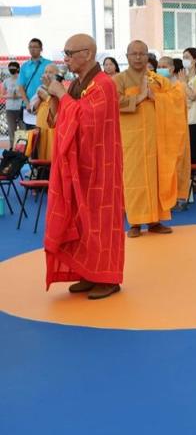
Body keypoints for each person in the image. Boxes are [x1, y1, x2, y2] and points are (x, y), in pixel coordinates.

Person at [43, 34, 125, 300]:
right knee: (82, 220)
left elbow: (87, 120)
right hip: (80, 166)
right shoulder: (79, 84)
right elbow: (60, 122)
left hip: (101, 167)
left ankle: (108, 277)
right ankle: (90, 272)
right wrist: (56, 98)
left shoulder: (103, 85)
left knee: (101, 221)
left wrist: (62, 96)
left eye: (69, 52)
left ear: (87, 54)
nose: (65, 58)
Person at [114, 40, 185, 237]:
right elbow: (113, 102)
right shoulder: (119, 79)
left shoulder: (157, 80)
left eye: (142, 54)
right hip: (131, 139)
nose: (138, 57)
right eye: (134, 53)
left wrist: (158, 98)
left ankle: (155, 220)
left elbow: (176, 100)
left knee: (156, 176)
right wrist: (140, 97)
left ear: (147, 57)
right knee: (133, 179)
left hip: (156, 138)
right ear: (127, 56)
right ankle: (135, 222)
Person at [157, 56, 192, 211]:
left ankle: (180, 197)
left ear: (171, 69)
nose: (160, 69)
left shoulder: (179, 86)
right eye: (159, 66)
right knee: (164, 167)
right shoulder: (157, 86)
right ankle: (165, 198)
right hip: (161, 132)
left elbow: (175, 102)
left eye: (164, 66)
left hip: (177, 132)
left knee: (178, 166)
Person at [17, 38, 52, 130]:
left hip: (45, 105)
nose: (32, 49)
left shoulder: (49, 64)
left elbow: (53, 84)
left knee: (45, 136)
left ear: (41, 49)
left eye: (35, 47)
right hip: (30, 108)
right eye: (30, 47)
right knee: (32, 137)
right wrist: (27, 103)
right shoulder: (24, 66)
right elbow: (20, 87)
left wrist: (40, 101)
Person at [31, 64, 61, 161]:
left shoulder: (60, 88)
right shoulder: (40, 88)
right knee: (40, 149)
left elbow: (60, 106)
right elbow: (33, 109)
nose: (47, 74)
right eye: (46, 72)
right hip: (41, 124)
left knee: (52, 151)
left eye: (50, 72)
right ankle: (41, 170)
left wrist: (46, 97)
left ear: (57, 74)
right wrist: (40, 99)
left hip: (53, 125)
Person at [3, 61, 22, 148]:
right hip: (10, 109)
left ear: (18, 68)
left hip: (21, 108)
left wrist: (18, 95)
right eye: (10, 68)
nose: (12, 69)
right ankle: (12, 150)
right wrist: (10, 96)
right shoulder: (6, 81)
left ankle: (22, 151)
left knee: (22, 131)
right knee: (11, 131)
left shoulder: (22, 79)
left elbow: (25, 93)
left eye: (13, 68)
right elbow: (2, 94)